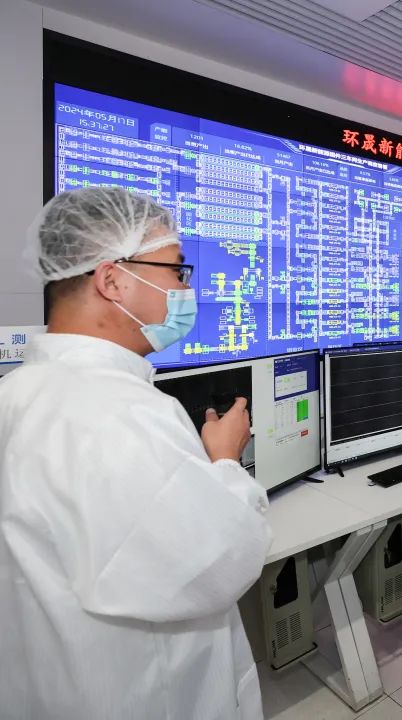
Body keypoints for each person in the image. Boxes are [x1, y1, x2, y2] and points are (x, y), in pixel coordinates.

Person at [0, 187, 272, 720]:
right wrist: (225, 461)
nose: (186, 289)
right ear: (112, 280)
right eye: (176, 270)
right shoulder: (120, 413)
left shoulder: (15, 393)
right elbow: (221, 562)